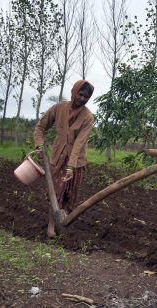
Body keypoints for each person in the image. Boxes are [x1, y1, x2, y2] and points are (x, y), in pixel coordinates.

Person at [34, 80, 95, 238]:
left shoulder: (88, 117)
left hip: (76, 163)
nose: (82, 99)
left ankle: (64, 224)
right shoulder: (59, 108)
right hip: (57, 158)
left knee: (70, 195)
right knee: (56, 193)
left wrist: (70, 167)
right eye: (80, 94)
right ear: (74, 92)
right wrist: (40, 146)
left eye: (86, 97)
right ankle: (51, 226)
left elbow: (79, 144)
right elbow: (40, 127)